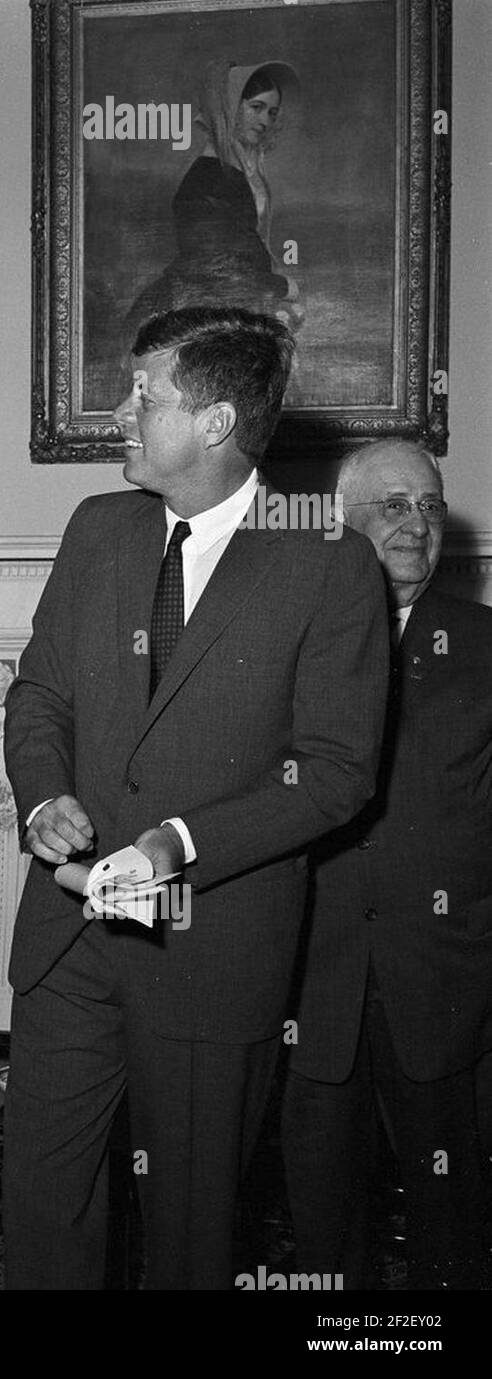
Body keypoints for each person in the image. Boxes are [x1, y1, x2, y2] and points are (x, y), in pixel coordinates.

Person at [3, 306, 389, 1289]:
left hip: (208, 946)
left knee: (188, 1236)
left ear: (215, 422)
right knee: (45, 1214)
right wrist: (43, 791)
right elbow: (39, 689)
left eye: (144, 395)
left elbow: (336, 771)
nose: (120, 411)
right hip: (69, 935)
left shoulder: (330, 558)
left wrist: (170, 845)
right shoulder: (98, 528)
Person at [282, 440, 492, 1289]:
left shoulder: (483, 643)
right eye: (395, 504)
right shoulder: (288, 636)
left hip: (444, 979)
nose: (419, 523)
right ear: (341, 521)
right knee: (323, 1226)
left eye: (433, 507)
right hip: (312, 980)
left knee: (455, 1226)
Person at [128, 61, 304, 333]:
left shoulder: (237, 173)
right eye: (256, 107)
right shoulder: (206, 180)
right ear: (229, 106)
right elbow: (216, 267)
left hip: (227, 301)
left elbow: (243, 250)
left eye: (271, 113)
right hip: (195, 309)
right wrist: (281, 287)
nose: (265, 121)